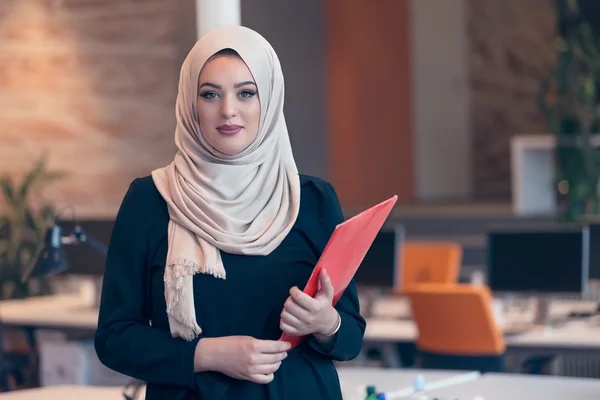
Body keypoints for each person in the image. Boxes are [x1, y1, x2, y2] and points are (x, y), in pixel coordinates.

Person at [94, 25, 365, 400]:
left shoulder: (313, 200)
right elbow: (114, 337)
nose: (228, 110)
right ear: (191, 102)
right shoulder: (151, 200)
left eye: (246, 93)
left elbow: (351, 337)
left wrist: (326, 323)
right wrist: (206, 354)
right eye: (210, 94)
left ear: (268, 100)